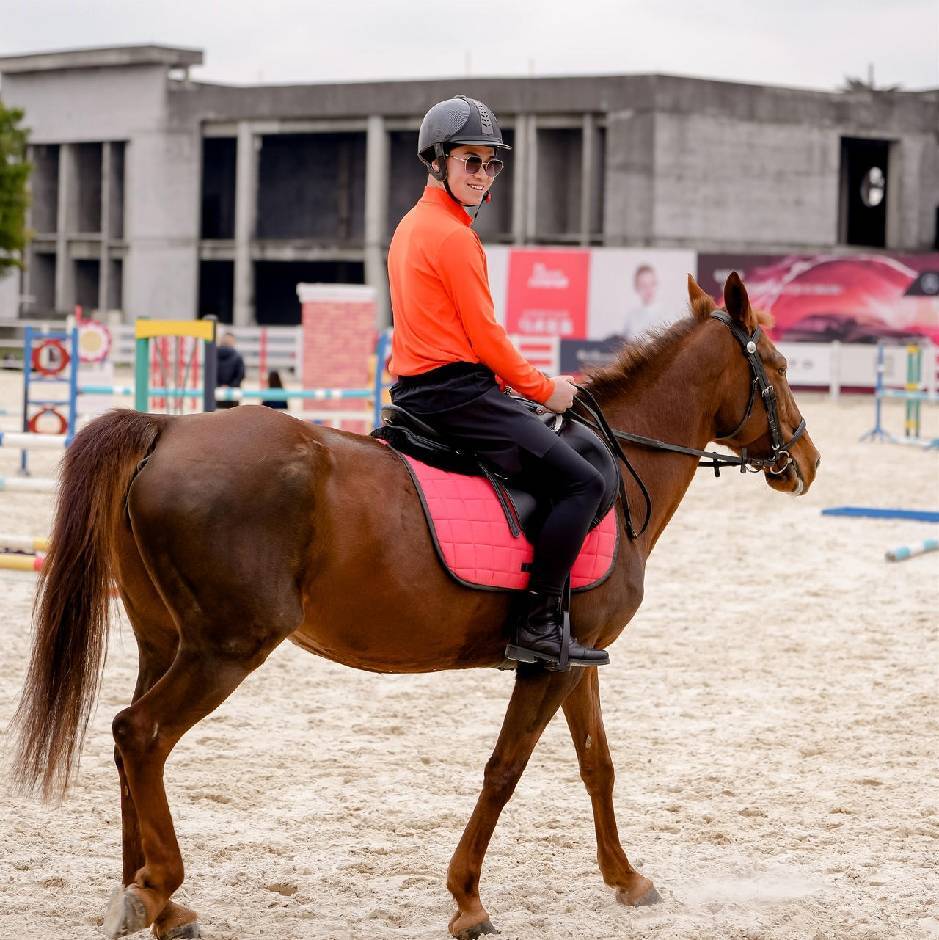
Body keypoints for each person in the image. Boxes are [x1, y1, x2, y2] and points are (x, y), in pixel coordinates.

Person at [387, 95, 609, 670]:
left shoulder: (411, 226)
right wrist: (544, 390)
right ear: (437, 160)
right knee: (582, 482)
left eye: (491, 164)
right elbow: (486, 338)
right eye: (471, 161)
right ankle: (538, 623)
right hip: (459, 396)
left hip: (420, 392)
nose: (483, 175)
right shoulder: (454, 237)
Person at [215, 331, 245, 410]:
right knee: (233, 415)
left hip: (216, 391)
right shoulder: (238, 356)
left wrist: (219, 386)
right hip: (233, 393)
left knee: (216, 414)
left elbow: (210, 374)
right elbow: (241, 375)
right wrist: (230, 386)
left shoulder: (213, 355)